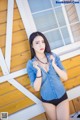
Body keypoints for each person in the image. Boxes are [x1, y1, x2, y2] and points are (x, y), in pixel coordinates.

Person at [26, 31, 70, 120]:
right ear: (32, 45)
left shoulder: (53, 56)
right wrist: (38, 71)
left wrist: (54, 65)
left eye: (43, 42)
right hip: (47, 101)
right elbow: (36, 88)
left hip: (62, 96)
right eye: (37, 43)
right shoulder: (31, 64)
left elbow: (65, 77)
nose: (41, 45)